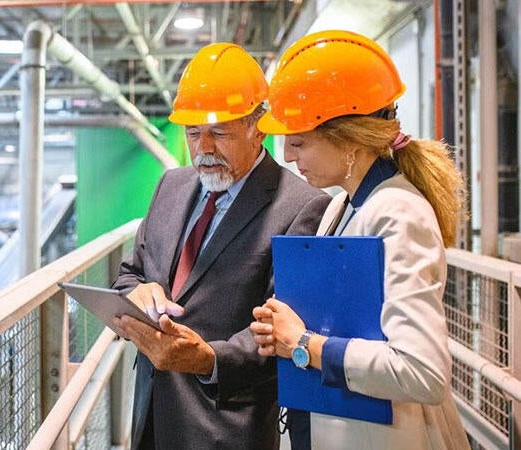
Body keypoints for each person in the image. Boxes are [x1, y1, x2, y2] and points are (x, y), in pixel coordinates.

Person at [249, 30, 470, 450]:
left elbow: (423, 373)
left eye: (297, 142)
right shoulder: (341, 207)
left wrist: (302, 344)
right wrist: (281, 329)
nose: (289, 157)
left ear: (348, 139)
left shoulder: (399, 214)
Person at [111, 42, 331, 450]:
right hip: (152, 417)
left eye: (219, 133)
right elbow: (131, 274)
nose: (203, 148)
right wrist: (136, 295)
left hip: (224, 429)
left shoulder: (301, 207)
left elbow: (282, 332)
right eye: (193, 133)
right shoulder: (170, 187)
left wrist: (207, 360)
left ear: (257, 128)